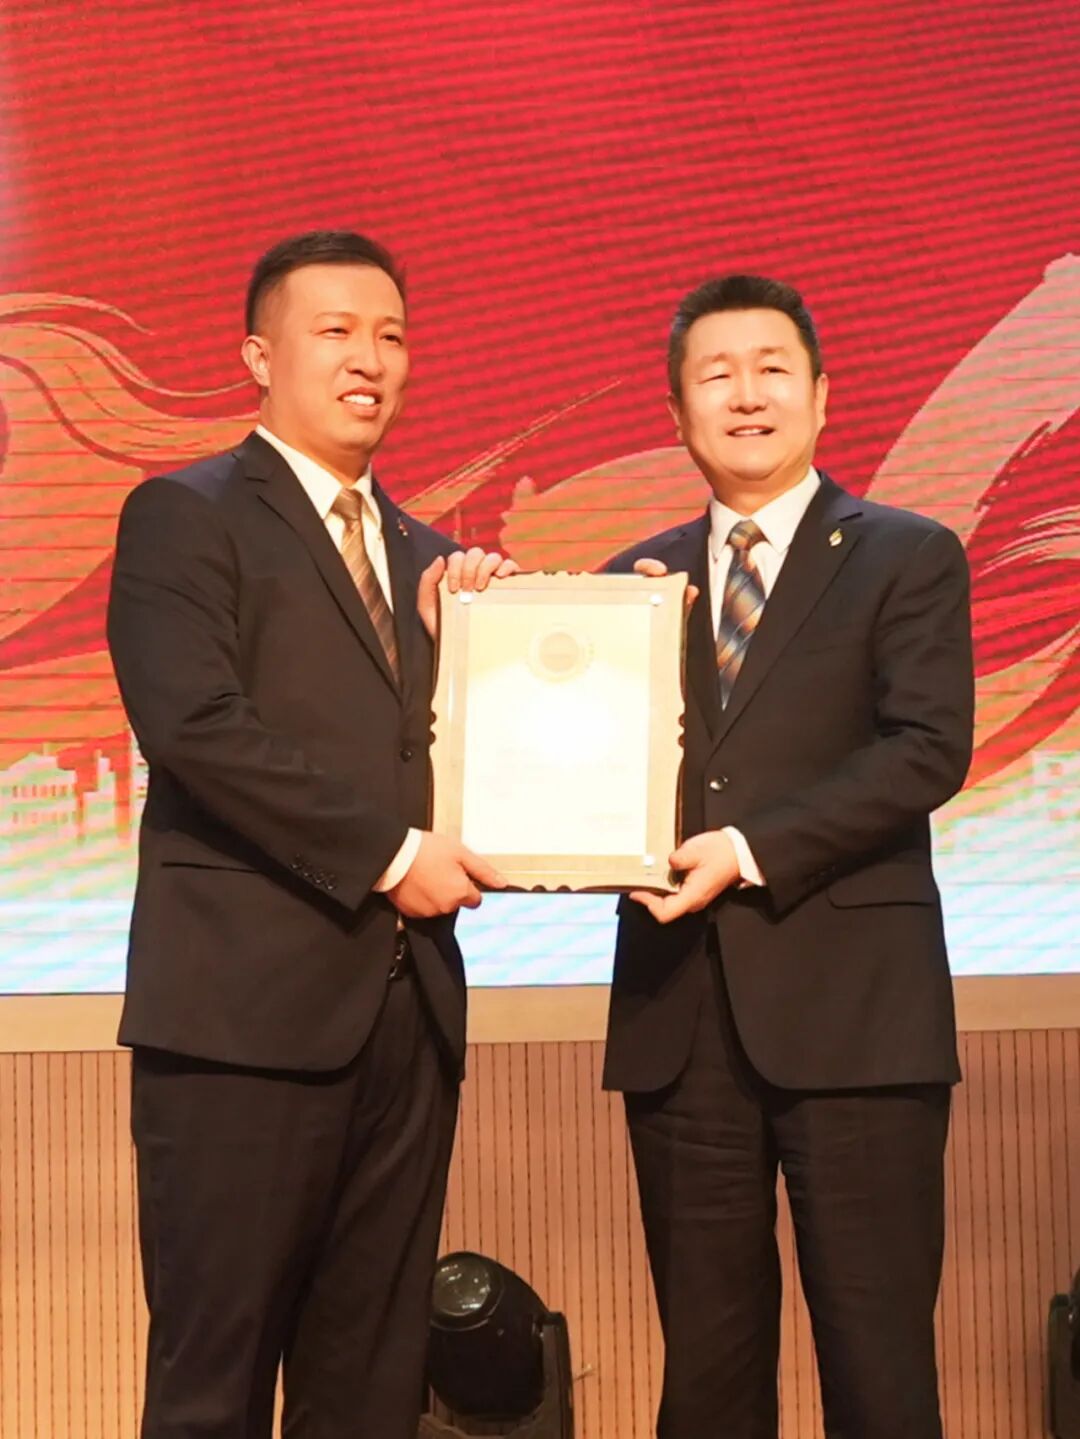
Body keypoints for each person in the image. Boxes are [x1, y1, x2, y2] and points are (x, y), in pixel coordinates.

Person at [107, 229, 514, 1439]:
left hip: (407, 1016)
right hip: (238, 1025)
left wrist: (486, 655)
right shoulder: (184, 515)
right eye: (335, 330)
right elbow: (197, 727)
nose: (368, 359)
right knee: (213, 1381)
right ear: (258, 354)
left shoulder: (433, 560)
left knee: (371, 1387)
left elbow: (451, 761)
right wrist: (393, 856)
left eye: (390, 335)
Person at [604, 274, 974, 1439]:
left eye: (772, 369)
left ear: (821, 395)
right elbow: (578, 770)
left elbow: (927, 748)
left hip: (859, 1021)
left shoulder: (907, 555)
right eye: (716, 375)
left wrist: (750, 847)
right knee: (706, 1379)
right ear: (678, 412)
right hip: (682, 1021)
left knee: (880, 1371)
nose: (747, 395)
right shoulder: (628, 587)